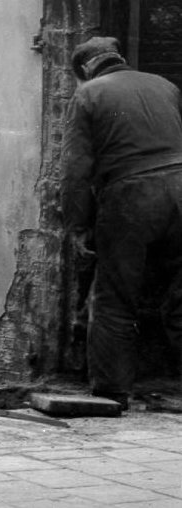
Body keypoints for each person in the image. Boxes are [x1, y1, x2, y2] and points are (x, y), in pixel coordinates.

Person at [60, 35, 182, 406]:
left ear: (84, 71)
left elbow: (76, 170)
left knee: (114, 297)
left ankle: (112, 390)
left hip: (131, 195)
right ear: (120, 58)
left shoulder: (88, 95)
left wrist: (77, 225)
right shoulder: (165, 85)